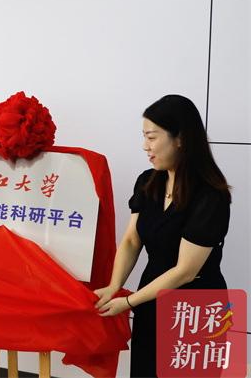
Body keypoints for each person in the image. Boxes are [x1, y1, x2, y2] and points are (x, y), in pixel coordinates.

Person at [93, 94, 231, 377]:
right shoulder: (148, 182)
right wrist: (114, 285)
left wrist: (128, 302)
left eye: (152, 137)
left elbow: (184, 271)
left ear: (180, 138)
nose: (145, 146)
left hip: (193, 308)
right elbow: (132, 240)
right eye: (144, 137)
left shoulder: (210, 196)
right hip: (150, 297)